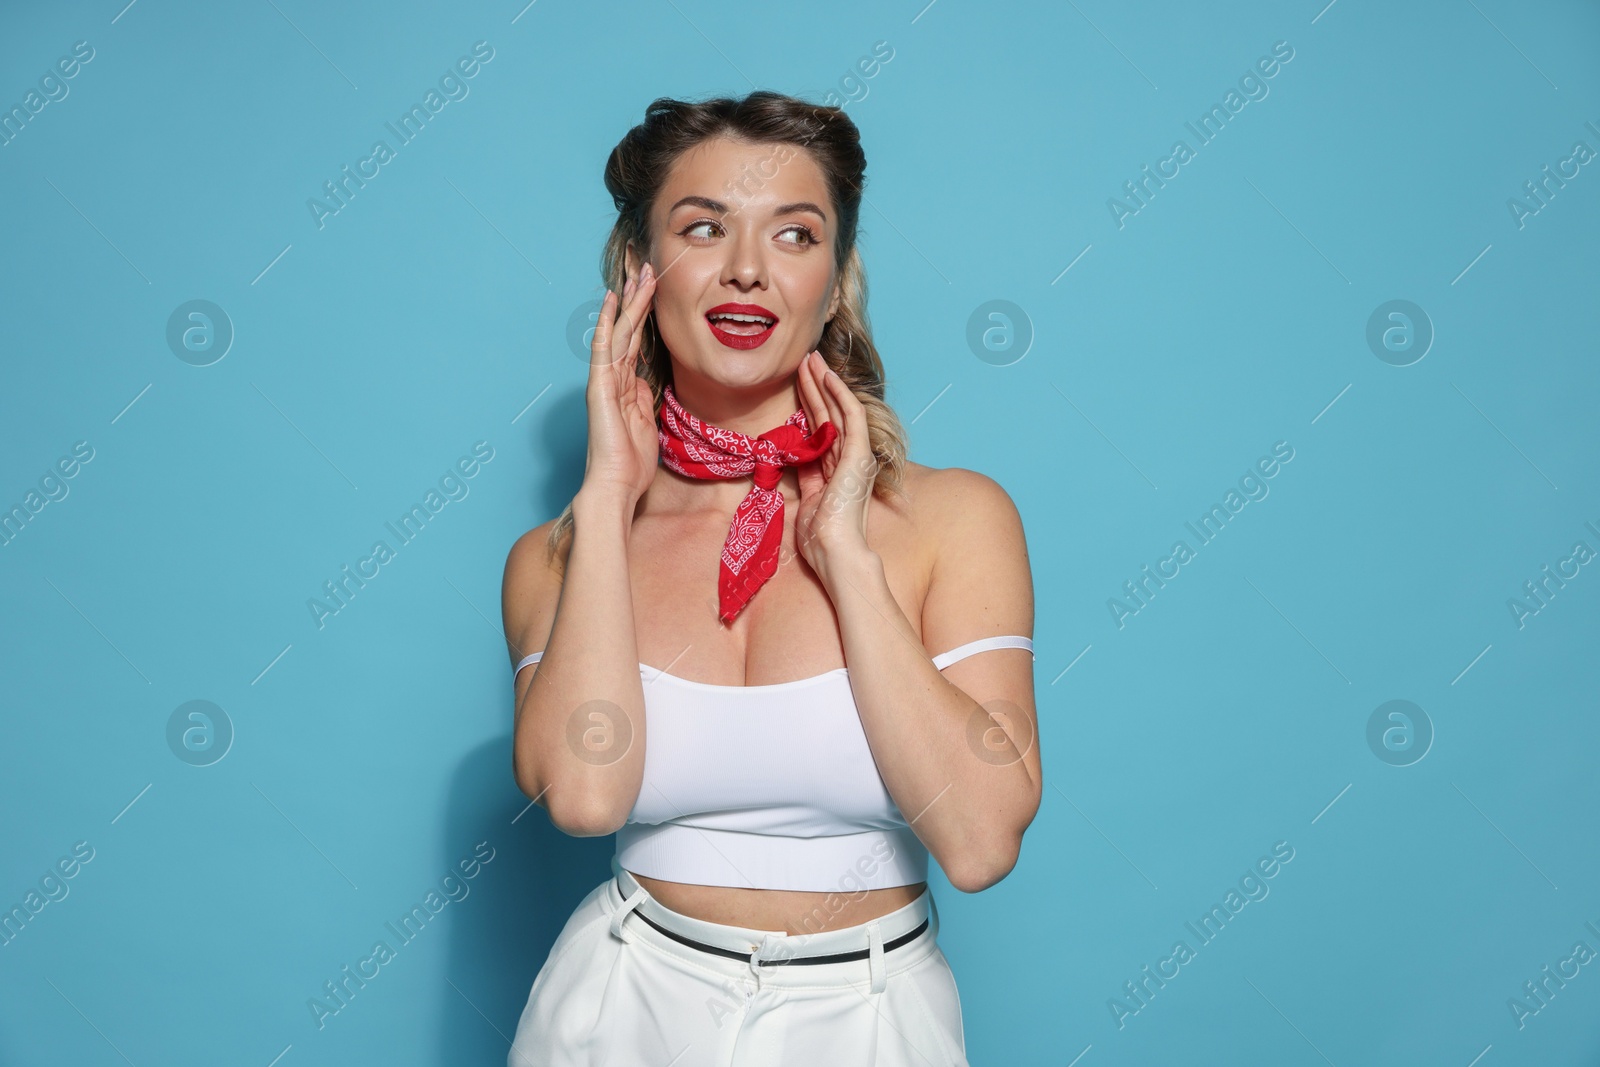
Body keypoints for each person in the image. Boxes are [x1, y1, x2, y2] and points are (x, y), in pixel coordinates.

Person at [500, 90, 1039, 1066]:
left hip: (871, 1014)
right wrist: (611, 489)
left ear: (833, 285)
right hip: (619, 1005)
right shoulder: (562, 551)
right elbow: (584, 796)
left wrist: (845, 555)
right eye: (703, 227)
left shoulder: (953, 519)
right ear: (639, 272)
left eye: (795, 234)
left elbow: (979, 839)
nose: (748, 266)